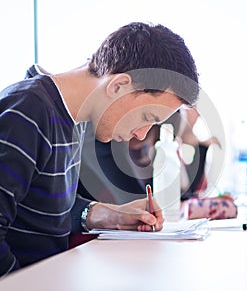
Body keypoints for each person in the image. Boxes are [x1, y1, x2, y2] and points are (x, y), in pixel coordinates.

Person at [0, 22, 200, 277]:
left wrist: (109, 215)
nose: (141, 134)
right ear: (118, 86)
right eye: (146, 117)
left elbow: (39, 210)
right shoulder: (27, 112)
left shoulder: (74, 121)